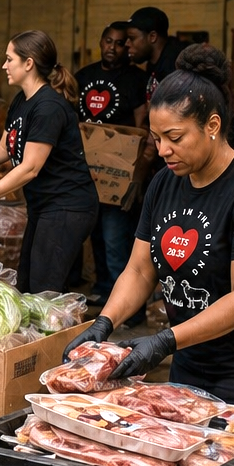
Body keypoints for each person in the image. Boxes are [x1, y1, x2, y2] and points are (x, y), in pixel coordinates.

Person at [67, 46, 234, 466]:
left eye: (175, 138)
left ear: (212, 125)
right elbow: (140, 269)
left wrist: (162, 340)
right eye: (157, 138)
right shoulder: (165, 183)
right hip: (191, 375)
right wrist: (106, 324)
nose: (162, 150)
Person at [0, 30, 97, 294]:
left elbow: (30, 168)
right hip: (44, 206)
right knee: (27, 285)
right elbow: (5, 147)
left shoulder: (48, 107)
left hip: (66, 207)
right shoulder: (22, 101)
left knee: (44, 290)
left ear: (29, 63)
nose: (4, 65)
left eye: (9, 59)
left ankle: (64, 334)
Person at [77, 22, 151, 312]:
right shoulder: (85, 75)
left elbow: (141, 128)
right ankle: (104, 288)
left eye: (120, 43)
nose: (112, 47)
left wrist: (135, 169)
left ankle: (128, 308)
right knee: (95, 234)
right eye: (108, 41)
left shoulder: (135, 79)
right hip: (87, 172)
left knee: (115, 238)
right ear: (100, 41)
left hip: (117, 173)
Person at [124, 6, 187, 106]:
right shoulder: (153, 62)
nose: (127, 44)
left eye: (132, 38)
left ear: (152, 37)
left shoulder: (176, 65)